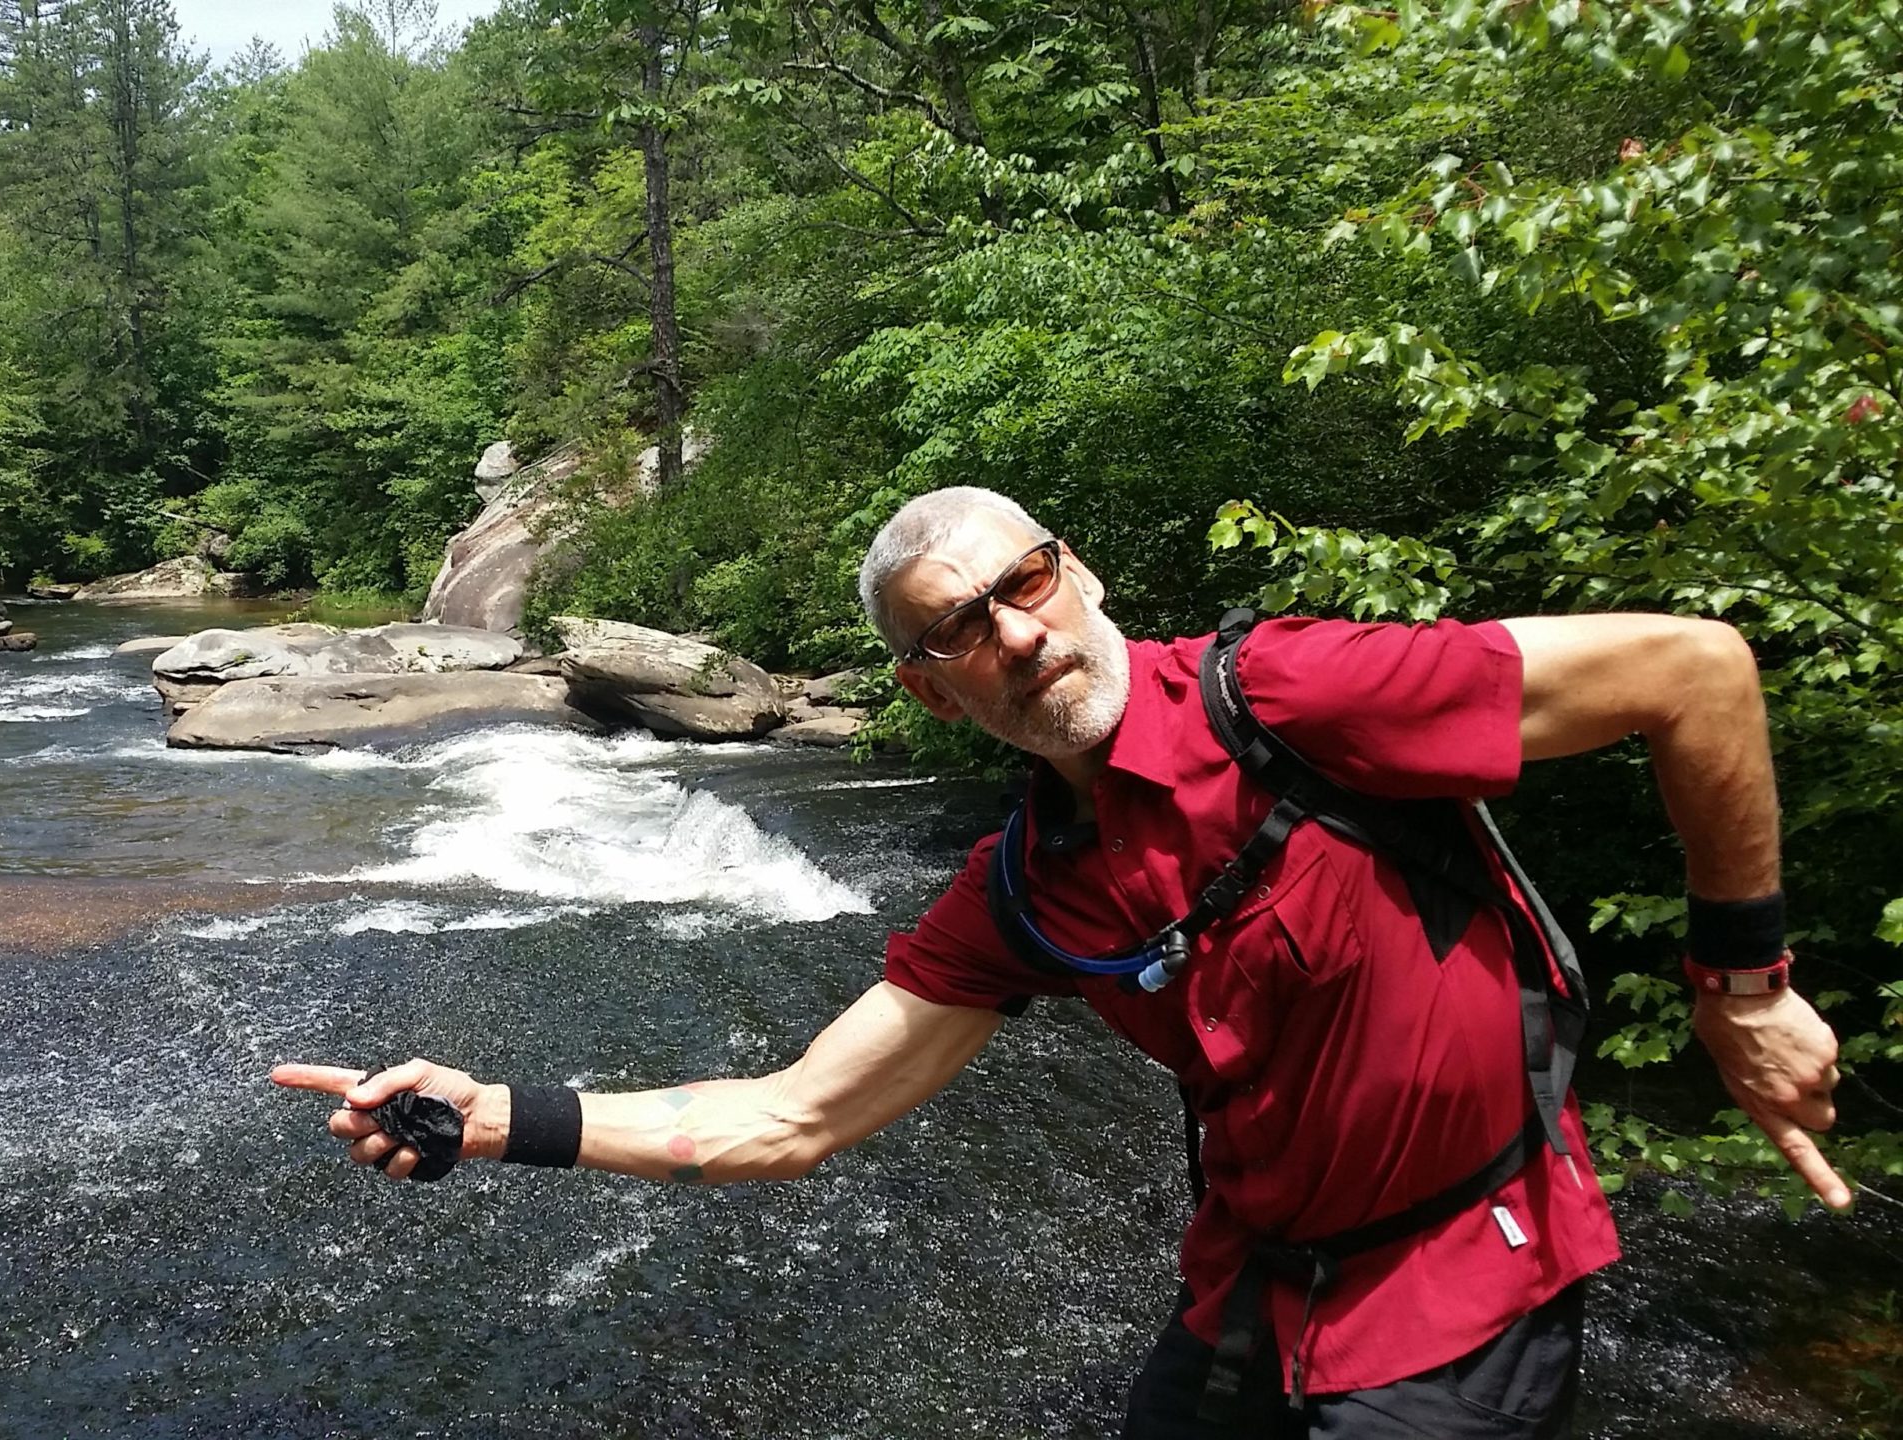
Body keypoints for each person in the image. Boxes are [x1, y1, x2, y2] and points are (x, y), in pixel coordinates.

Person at [272, 486, 1848, 1436]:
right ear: (932, 695)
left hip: (1465, 1277)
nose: (1013, 636)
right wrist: (495, 1118)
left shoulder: (1295, 698)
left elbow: (1690, 672)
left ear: (1074, 575)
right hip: (1251, 1291)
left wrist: (1746, 989)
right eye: (958, 630)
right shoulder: (1025, 890)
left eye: (1021, 588)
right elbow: (794, 1116)